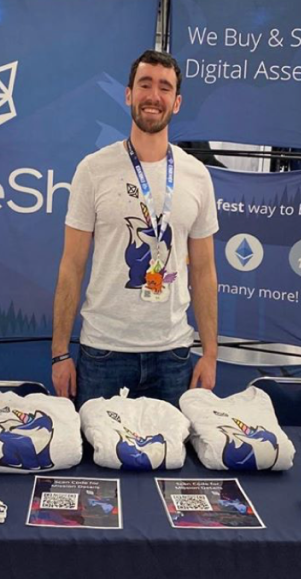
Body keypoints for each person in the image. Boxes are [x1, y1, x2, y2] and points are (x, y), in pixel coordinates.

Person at [50, 50, 219, 408]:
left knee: (172, 447)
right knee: (95, 447)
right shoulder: (93, 170)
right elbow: (71, 266)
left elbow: (204, 271)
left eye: (164, 88)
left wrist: (210, 353)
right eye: (145, 84)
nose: (153, 96)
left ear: (177, 102)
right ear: (128, 94)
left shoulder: (197, 176)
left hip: (173, 355)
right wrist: (60, 353)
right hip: (103, 353)